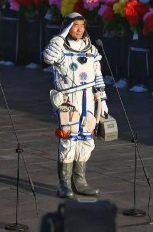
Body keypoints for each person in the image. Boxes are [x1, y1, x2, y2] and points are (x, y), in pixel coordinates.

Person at [43, 12, 109, 198]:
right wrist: (60, 37)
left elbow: (98, 76)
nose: (79, 29)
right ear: (67, 27)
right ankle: (64, 184)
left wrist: (102, 99)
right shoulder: (59, 47)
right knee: (68, 140)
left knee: (86, 139)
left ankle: (79, 181)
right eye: (75, 25)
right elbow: (48, 58)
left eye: (82, 25)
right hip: (68, 99)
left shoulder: (91, 49)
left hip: (88, 97)